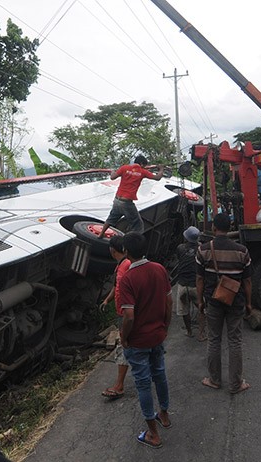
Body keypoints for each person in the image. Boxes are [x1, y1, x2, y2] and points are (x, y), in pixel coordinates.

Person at [118, 232, 173, 449]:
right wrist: (165, 326)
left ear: (126, 252)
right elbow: (168, 302)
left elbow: (129, 316)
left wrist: (124, 337)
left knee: (142, 384)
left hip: (138, 340)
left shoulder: (127, 279)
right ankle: (165, 415)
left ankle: (153, 433)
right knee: (160, 374)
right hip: (157, 335)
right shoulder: (159, 269)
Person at [195, 213, 253, 394]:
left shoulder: (203, 250)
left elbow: (199, 279)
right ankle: (236, 384)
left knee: (214, 339)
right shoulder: (242, 251)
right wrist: (249, 303)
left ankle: (214, 380)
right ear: (230, 227)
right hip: (235, 301)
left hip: (213, 300)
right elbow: (248, 281)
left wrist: (200, 302)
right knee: (235, 341)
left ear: (213, 228)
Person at [98, 155, 164, 237]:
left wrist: (112, 172)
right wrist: (161, 169)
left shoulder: (124, 168)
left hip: (117, 200)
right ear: (142, 164)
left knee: (111, 218)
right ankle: (132, 242)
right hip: (127, 203)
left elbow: (112, 177)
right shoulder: (143, 172)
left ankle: (100, 234)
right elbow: (157, 177)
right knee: (138, 226)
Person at [99, 235, 131, 400]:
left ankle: (119, 385)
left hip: (126, 313)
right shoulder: (120, 265)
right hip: (122, 312)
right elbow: (117, 286)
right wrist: (107, 299)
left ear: (112, 250)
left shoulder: (127, 265)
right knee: (128, 346)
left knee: (124, 346)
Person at [171, 226, 205, 340]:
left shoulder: (180, 248)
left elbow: (181, 258)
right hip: (195, 285)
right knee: (201, 309)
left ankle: (189, 331)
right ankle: (202, 334)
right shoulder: (201, 249)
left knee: (184, 310)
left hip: (182, 284)